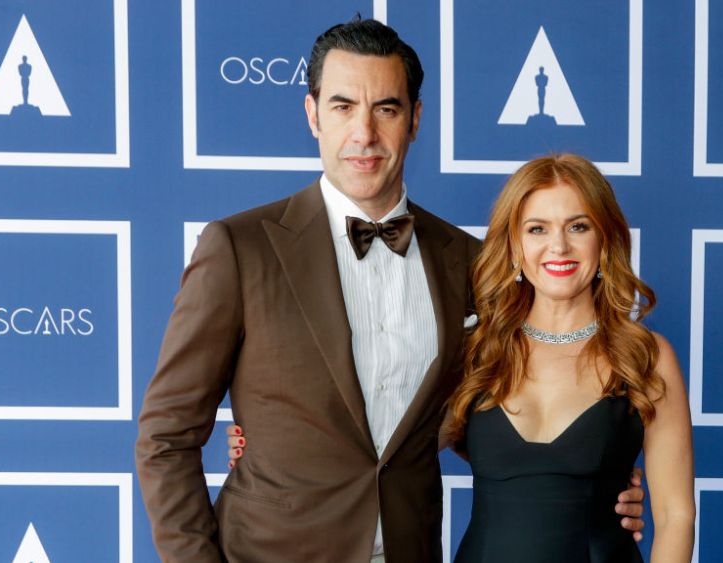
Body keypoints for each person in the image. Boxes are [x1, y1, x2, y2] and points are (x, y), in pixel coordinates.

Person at [136, 18, 644, 563]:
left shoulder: (469, 263)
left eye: (386, 108)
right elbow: (165, 437)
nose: (364, 133)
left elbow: (512, 412)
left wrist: (595, 480)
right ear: (313, 116)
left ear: (415, 119)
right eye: (342, 106)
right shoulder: (239, 249)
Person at [446, 154, 695, 561]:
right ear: (515, 245)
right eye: (537, 229)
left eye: (578, 226)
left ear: (605, 240)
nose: (558, 246)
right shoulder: (475, 351)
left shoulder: (645, 357)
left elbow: (676, 516)